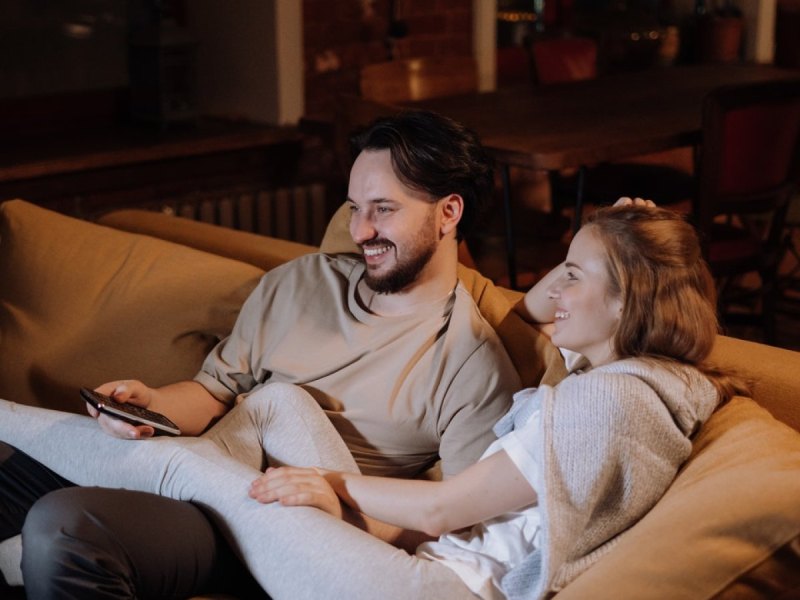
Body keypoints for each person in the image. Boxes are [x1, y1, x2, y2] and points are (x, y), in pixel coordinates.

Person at [1, 204, 746, 599]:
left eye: (577, 273)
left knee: (189, 474)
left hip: (429, 591)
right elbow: (539, 306)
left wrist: (328, 487)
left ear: (628, 304)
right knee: (282, 400)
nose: (556, 288)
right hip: (422, 561)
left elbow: (443, 510)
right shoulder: (619, 385)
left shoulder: (613, 404)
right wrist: (615, 232)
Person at [0, 109, 522, 598]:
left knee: (63, 526)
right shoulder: (299, 284)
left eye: (383, 210)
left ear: (448, 212)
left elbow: (454, 529)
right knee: (20, 470)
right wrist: (150, 404)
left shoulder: (472, 366)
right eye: (354, 208)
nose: (361, 231)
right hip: (205, 454)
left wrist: (339, 508)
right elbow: (211, 394)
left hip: (268, 522)